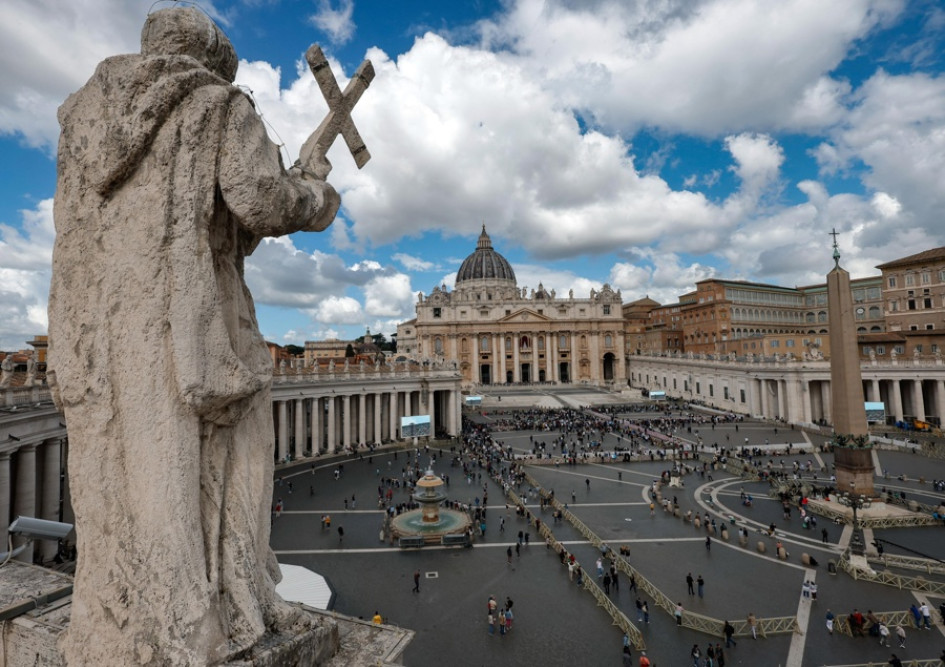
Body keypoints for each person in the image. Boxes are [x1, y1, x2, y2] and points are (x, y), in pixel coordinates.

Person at [48, 7, 342, 665]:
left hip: (95, 332)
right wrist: (314, 184)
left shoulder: (81, 123)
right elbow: (263, 202)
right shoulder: (217, 104)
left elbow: (216, 226)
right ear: (214, 60)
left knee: (121, 479)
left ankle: (122, 623)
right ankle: (218, 611)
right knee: (229, 463)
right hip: (187, 327)